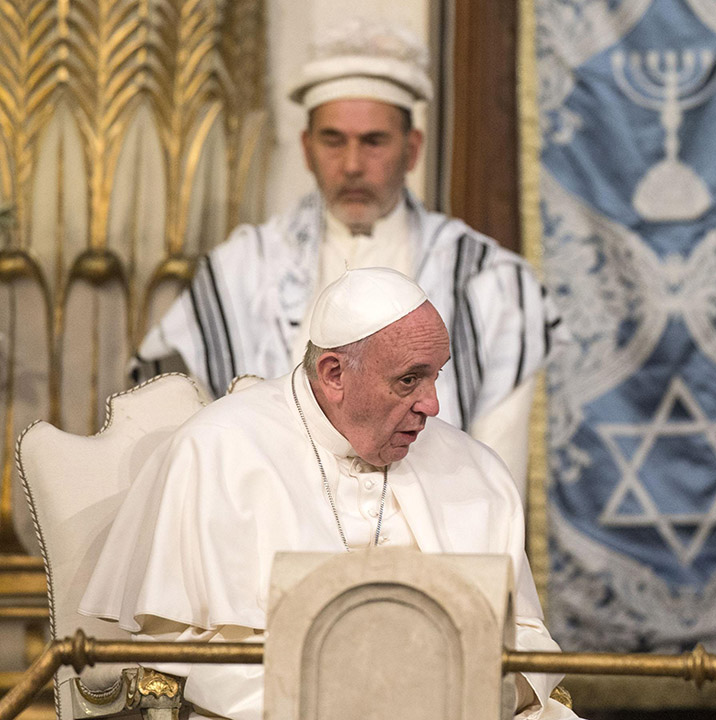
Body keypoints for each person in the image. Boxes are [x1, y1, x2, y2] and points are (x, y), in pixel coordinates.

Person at [81, 268, 572, 720]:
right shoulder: (217, 451)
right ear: (334, 374)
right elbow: (189, 656)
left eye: (435, 375)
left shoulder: (473, 468)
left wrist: (481, 696)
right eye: (408, 380)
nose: (432, 404)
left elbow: (528, 640)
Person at [133, 19, 554, 491]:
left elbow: (495, 480)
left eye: (373, 141)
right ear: (307, 148)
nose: (352, 165)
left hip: (430, 520)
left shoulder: (491, 282)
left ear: (412, 149)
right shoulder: (239, 270)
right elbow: (183, 437)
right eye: (333, 140)